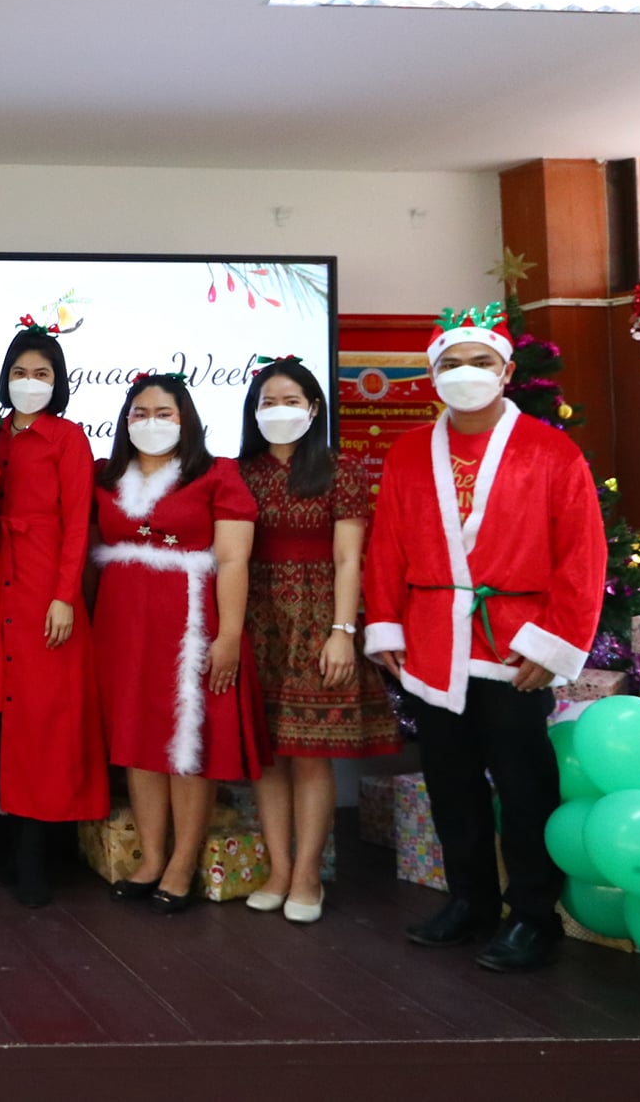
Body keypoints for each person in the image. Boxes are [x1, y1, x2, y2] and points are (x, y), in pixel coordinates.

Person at [364, 306, 606, 972]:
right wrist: (385, 622)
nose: (465, 373)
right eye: (451, 363)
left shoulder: (552, 452)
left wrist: (553, 642)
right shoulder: (409, 453)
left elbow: (582, 554)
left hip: (515, 644)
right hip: (432, 642)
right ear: (432, 375)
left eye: (479, 361)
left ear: (506, 370)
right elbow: (386, 545)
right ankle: (470, 900)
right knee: (451, 781)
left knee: (525, 787)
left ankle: (533, 916)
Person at [91, 372, 267, 913]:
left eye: (163, 412)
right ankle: (151, 857)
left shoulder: (217, 475)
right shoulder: (105, 476)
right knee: (137, 738)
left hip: (191, 624)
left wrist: (229, 635)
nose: (151, 422)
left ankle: (182, 863)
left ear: (185, 418)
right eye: (139, 413)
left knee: (188, 744)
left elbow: (233, 559)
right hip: (123, 626)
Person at [237, 356, 398, 924]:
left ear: (313, 408)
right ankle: (278, 870)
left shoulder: (340, 469)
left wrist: (342, 631)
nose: (278, 411)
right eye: (268, 402)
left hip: (319, 618)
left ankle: (307, 875)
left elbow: (350, 556)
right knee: (266, 756)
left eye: (290, 401)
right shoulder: (240, 471)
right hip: (256, 618)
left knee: (309, 755)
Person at [0, 320, 107, 908]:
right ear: (6, 378)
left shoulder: (68, 438)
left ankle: (37, 855)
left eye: (42, 373)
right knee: (1, 717)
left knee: (45, 722)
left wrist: (64, 596)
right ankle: (7, 844)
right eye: (21, 372)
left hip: (44, 588)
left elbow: (77, 523)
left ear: (58, 381)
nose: (30, 381)